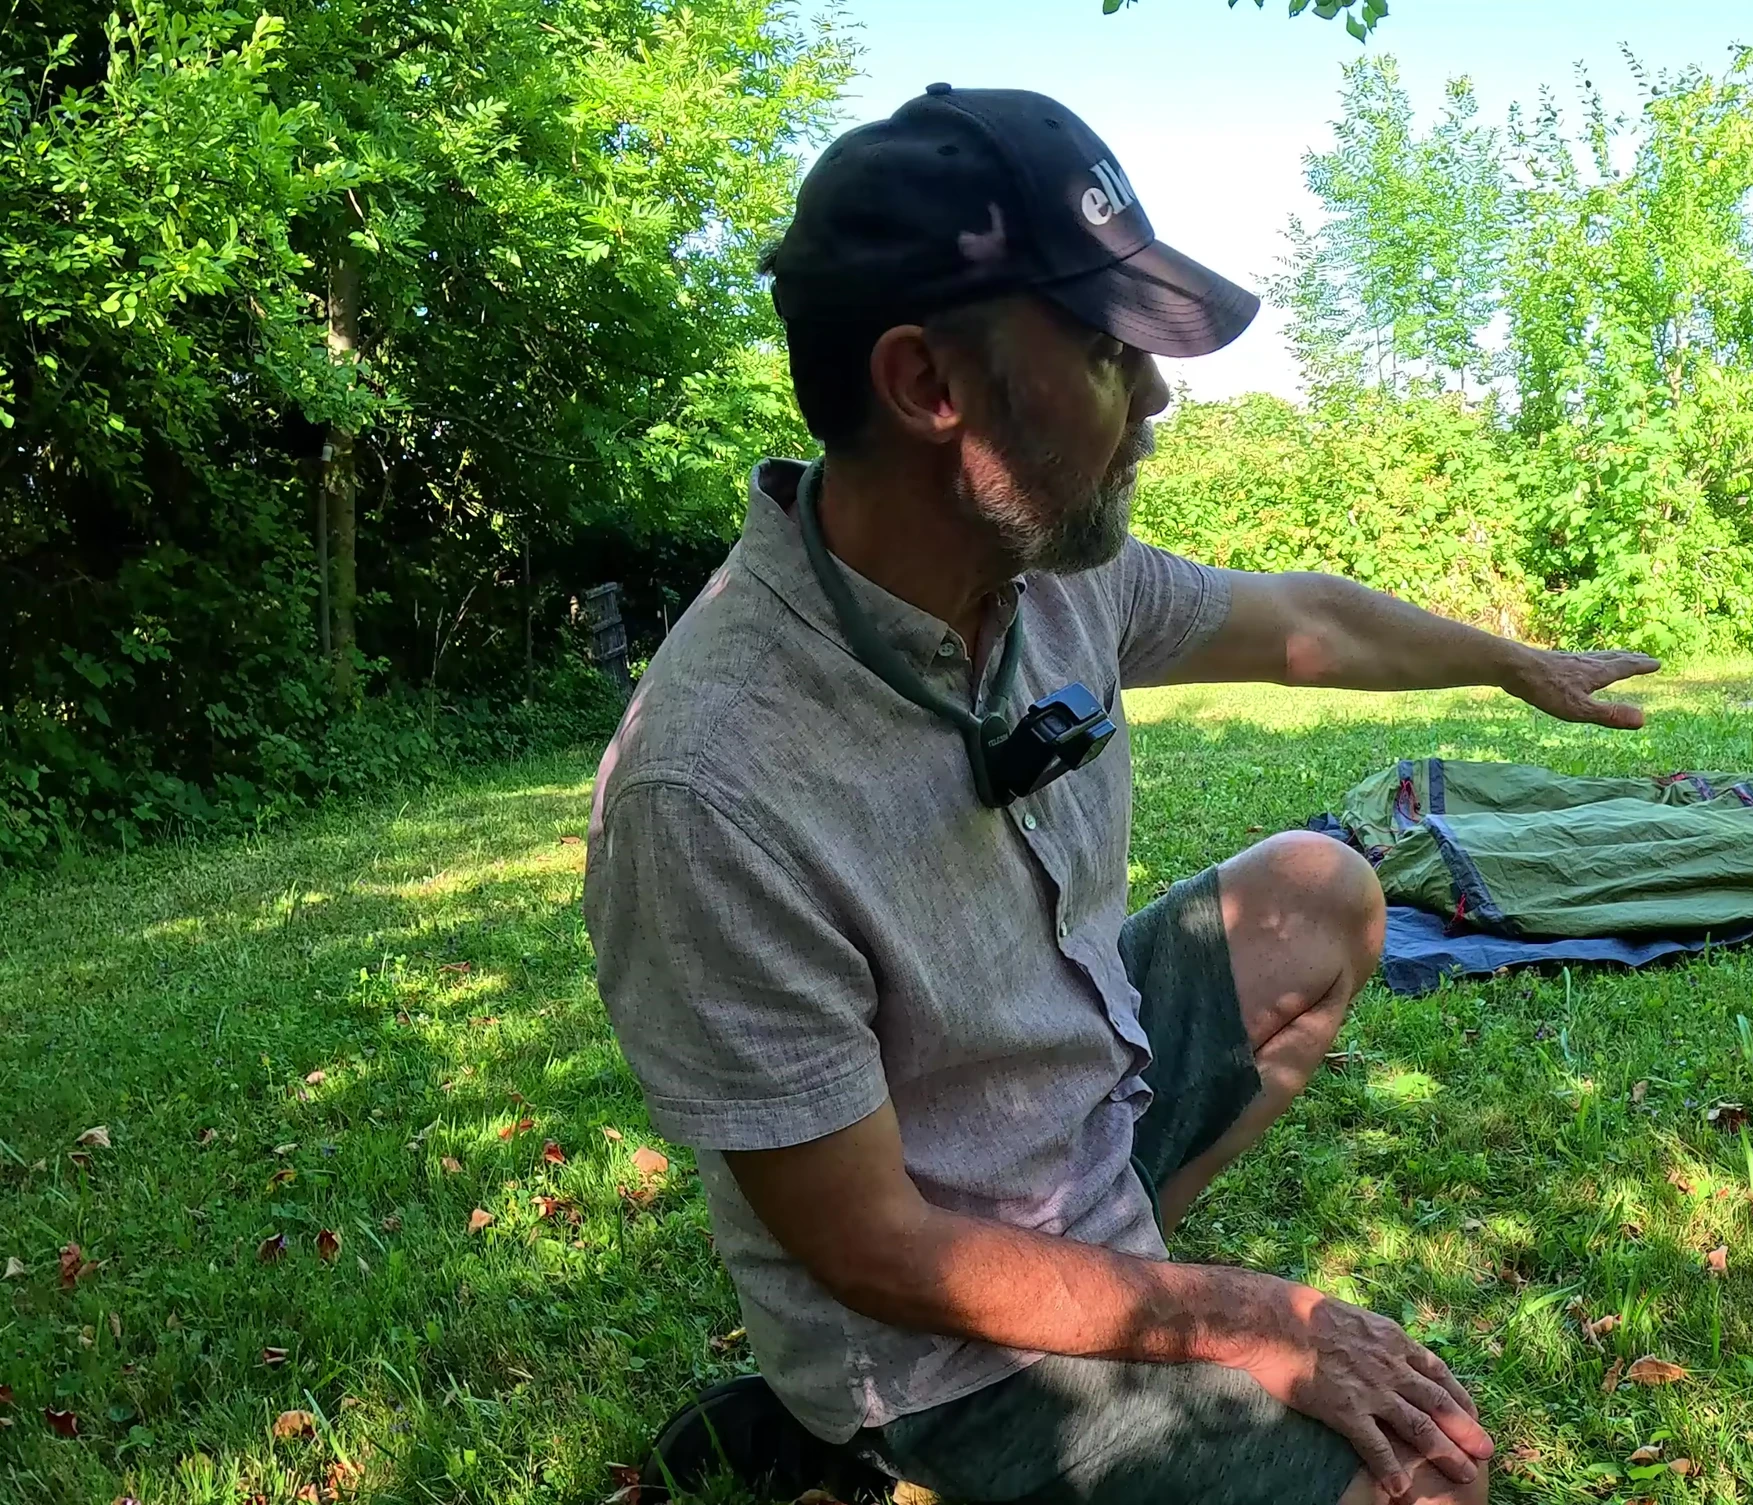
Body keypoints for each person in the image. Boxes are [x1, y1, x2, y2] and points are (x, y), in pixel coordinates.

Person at [582, 84, 1657, 1505]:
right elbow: (870, 1249)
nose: (1154, 399)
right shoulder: (709, 785)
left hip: (1066, 1139)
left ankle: (1117, 1284)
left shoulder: (1048, 578)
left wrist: (1508, 661)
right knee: (1425, 1485)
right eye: (1103, 351)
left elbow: (1294, 622)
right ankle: (864, 1447)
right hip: (926, 1342)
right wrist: (1255, 1319)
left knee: (1319, 895)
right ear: (928, 389)